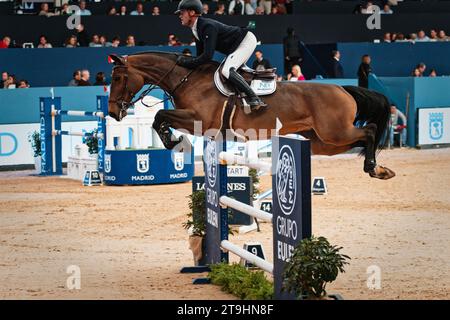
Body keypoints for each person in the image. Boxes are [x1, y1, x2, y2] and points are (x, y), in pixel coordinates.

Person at [174, 0, 266, 110]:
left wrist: (184, 62)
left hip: (245, 41)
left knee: (227, 70)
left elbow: (207, 56)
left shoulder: (206, 26)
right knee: (224, 71)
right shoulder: (197, 29)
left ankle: (255, 98)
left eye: (182, 13)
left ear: (192, 13)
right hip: (236, 46)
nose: (180, 16)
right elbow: (200, 57)